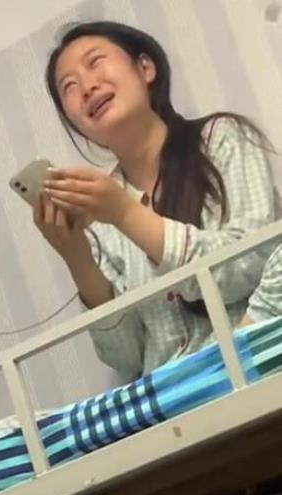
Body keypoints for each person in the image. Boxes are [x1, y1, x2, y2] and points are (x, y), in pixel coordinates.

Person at [36, 20, 280, 382]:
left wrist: (124, 213)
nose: (87, 87)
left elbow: (253, 266)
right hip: (173, 399)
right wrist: (77, 256)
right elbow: (128, 356)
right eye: (68, 87)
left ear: (146, 68)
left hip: (256, 374)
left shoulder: (222, 139)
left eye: (96, 62)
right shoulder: (96, 211)